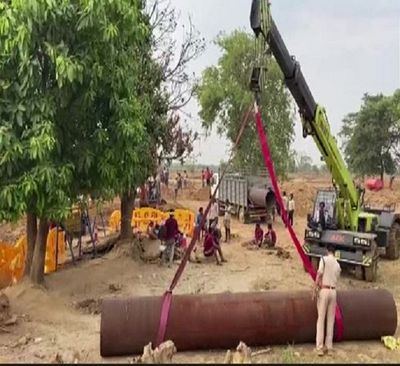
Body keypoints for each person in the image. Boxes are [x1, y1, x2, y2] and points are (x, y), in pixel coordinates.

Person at [315, 244, 341, 356]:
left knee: (321, 319)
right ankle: (329, 346)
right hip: (333, 291)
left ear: (327, 251)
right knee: (331, 320)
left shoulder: (323, 260)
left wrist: (316, 286)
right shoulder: (337, 264)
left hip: (324, 290)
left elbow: (319, 273)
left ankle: (320, 347)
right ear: (334, 252)